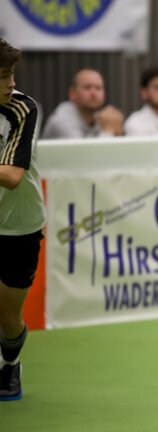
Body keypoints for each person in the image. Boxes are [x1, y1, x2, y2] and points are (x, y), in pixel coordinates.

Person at [0, 39, 45, 401]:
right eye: (3, 76)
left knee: (8, 318)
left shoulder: (22, 108)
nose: (11, 83)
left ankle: (11, 363)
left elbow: (13, 176)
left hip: (19, 226)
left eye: (11, 73)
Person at [42, 69, 124, 139]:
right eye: (87, 87)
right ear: (72, 93)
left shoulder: (101, 118)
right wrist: (108, 131)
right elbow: (82, 156)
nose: (93, 93)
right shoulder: (61, 120)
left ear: (104, 94)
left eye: (98, 88)